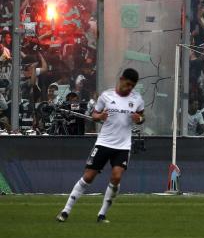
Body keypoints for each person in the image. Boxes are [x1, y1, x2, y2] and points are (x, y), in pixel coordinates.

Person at [56, 68, 143, 223]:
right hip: (104, 143)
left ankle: (102, 215)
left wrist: (139, 119)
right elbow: (94, 115)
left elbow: (142, 117)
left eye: (132, 86)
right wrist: (100, 116)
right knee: (88, 177)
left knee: (116, 177)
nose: (130, 88)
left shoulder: (137, 99)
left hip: (123, 145)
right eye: (128, 84)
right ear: (121, 79)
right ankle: (65, 210)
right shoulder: (106, 96)